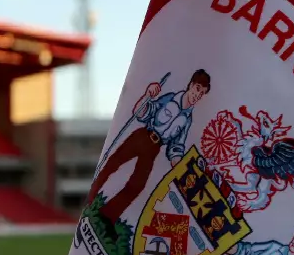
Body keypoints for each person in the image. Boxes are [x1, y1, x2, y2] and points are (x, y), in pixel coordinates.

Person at [89, 69, 211, 223]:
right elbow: (141, 113)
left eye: (202, 94)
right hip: (142, 136)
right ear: (191, 85)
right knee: (112, 164)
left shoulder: (187, 120)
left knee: (138, 184)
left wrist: (179, 167)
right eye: (197, 89)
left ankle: (108, 216)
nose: (197, 95)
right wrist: (148, 95)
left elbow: (176, 146)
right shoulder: (170, 98)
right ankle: (91, 199)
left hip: (155, 148)